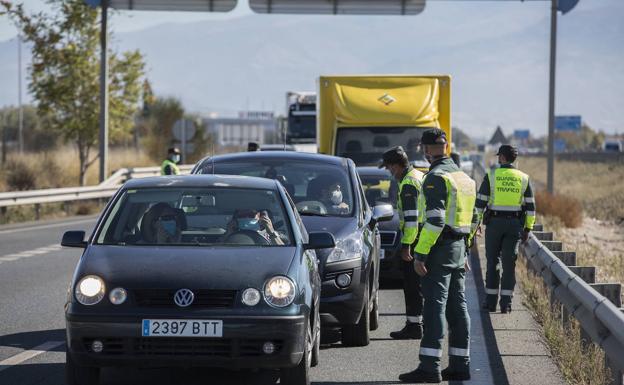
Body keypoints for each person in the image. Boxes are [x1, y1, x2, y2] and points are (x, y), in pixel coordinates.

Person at [399, 128, 477, 384]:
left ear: (428, 148)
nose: (423, 151)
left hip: (439, 249)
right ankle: (460, 364)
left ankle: (429, 367)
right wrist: (465, 249)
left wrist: (420, 254)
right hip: (457, 248)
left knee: (434, 306)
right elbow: (474, 220)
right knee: (458, 307)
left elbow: (434, 221)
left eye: (424, 147)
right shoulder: (464, 178)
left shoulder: (435, 177)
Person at [475, 144, 536, 313]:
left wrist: (476, 225)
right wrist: (527, 229)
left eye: (498, 156)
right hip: (515, 226)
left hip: (494, 224)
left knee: (493, 262)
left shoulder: (491, 175)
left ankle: (490, 302)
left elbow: (480, 203)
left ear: (501, 157)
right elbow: (531, 208)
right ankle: (506, 304)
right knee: (509, 264)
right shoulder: (524, 178)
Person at [379, 146, 425, 340]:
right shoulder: (418, 175)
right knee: (421, 285)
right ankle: (419, 324)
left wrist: (406, 245)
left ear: (397, 165)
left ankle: (414, 326)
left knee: (413, 285)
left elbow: (412, 219)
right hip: (424, 237)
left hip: (414, 239)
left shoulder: (408, 183)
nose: (390, 173)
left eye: (390, 168)